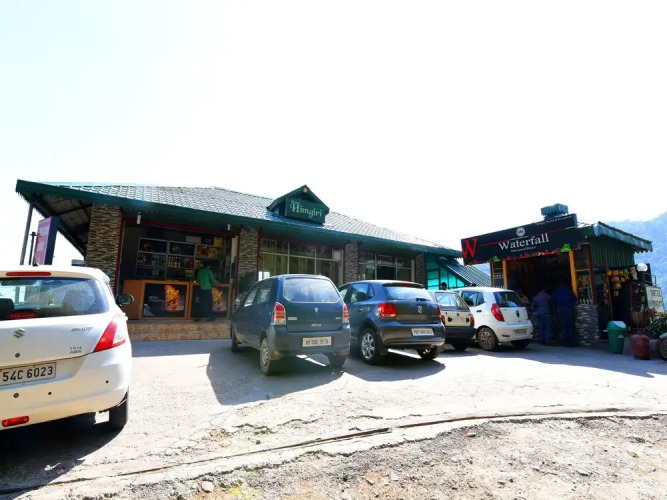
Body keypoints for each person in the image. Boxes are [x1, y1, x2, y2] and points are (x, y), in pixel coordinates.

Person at [551, 281, 577, 347]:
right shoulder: (569, 290)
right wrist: (570, 304)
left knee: (563, 326)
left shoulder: (556, 292)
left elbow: (552, 302)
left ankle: (566, 342)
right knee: (570, 326)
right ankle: (571, 342)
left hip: (560, 309)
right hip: (568, 309)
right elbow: (574, 299)